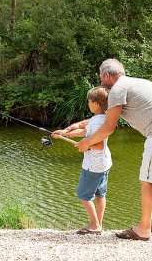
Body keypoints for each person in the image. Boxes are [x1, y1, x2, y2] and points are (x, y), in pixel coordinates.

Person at [72, 59, 152, 241]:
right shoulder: (138, 82)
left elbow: (109, 127)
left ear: (106, 75)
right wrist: (72, 130)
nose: (101, 82)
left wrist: (86, 143)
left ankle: (143, 229)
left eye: (101, 77)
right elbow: (103, 120)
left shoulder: (118, 90)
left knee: (148, 181)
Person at [53, 86, 112, 235]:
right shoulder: (102, 119)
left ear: (97, 103)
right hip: (103, 164)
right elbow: (85, 131)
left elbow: (98, 144)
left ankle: (94, 225)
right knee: (100, 195)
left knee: (84, 196)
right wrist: (64, 134)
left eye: (89, 101)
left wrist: (85, 146)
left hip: (93, 166)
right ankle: (98, 224)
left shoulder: (97, 122)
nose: (88, 104)